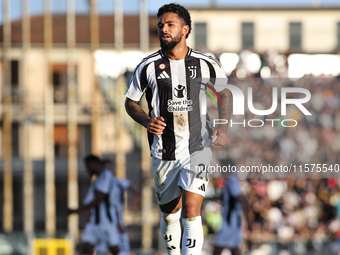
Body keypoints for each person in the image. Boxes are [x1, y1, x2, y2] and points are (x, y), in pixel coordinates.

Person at [124, 3, 231, 255]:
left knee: (192, 210)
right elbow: (130, 102)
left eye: (170, 24)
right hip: (164, 151)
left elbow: (225, 93)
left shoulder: (206, 63)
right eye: (161, 25)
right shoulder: (147, 66)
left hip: (198, 147)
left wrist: (223, 124)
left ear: (185, 29)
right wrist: (146, 120)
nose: (164, 29)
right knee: (171, 216)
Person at [67, 155, 120, 255]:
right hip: (93, 223)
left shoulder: (106, 175)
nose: (87, 169)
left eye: (88, 166)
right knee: (86, 249)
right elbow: (88, 202)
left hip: (106, 222)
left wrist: (76, 210)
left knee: (115, 250)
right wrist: (84, 218)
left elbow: (98, 198)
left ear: (94, 165)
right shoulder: (96, 182)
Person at [213, 160, 250, 255]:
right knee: (234, 248)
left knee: (218, 246)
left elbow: (240, 197)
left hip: (230, 220)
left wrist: (247, 215)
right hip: (234, 220)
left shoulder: (231, 179)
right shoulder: (231, 179)